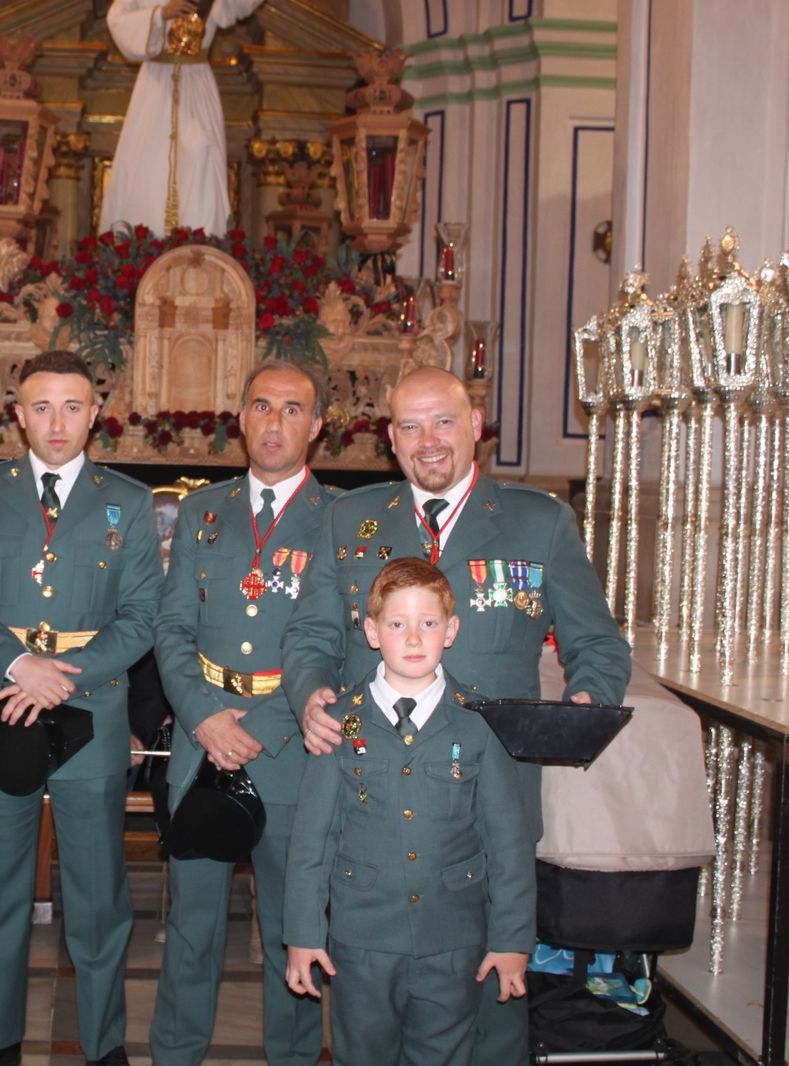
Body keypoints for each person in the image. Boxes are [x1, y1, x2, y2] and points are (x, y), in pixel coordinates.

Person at [280, 365, 630, 1065]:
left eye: (444, 422)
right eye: (410, 426)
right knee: (368, 1020)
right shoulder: (350, 520)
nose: (429, 441)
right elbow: (310, 637)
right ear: (390, 438)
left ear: (475, 426)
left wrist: (587, 695)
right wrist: (311, 691)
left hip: (490, 801)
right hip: (370, 805)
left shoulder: (539, 522)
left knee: (493, 1005)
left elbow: (597, 643)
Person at [0, 350, 163, 1066]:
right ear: (18, 414)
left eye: (72, 407)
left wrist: (62, 675)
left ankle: (103, 1048)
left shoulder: (127, 498)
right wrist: (17, 665)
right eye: (41, 407)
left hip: (89, 713)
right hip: (0, 706)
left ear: (96, 414)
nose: (56, 422)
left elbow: (142, 616)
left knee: (98, 900)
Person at [284, 558, 534, 1066]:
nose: (415, 639)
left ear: (452, 629)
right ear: (372, 632)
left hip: (453, 940)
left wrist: (512, 940)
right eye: (398, 625)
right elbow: (312, 841)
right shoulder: (337, 721)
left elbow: (508, 842)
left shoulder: (480, 723)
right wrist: (303, 935)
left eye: (429, 623)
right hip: (362, 941)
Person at [149, 360, 328, 1066]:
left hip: (293, 750)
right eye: (262, 406)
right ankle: (175, 1054)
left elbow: (340, 648)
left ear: (316, 426)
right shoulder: (202, 510)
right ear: (242, 417)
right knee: (191, 925)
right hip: (203, 742)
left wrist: (258, 726)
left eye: (292, 409)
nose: (275, 422)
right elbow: (171, 630)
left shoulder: (340, 519)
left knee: (293, 928)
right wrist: (202, 717)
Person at [99, 0, 261, 236]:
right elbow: (117, 18)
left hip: (196, 84)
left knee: (201, 164)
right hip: (154, 86)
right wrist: (160, 14)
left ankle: (200, 254)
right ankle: (140, 254)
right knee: (147, 169)